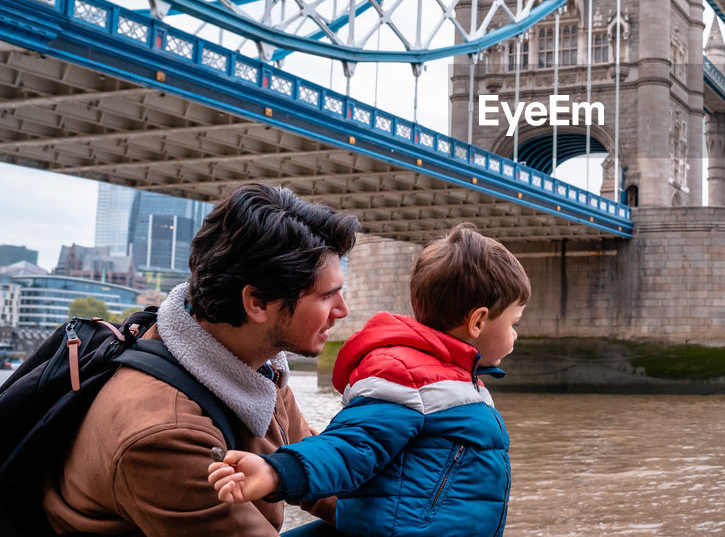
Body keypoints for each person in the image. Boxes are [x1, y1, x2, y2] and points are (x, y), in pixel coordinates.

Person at [43, 183, 360, 536]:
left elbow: (312, 470)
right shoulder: (166, 433)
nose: (343, 311)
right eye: (326, 296)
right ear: (256, 303)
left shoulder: (259, 363)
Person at [208, 223, 530, 537]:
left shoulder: (456, 378)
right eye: (514, 322)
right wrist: (276, 471)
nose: (515, 333)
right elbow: (349, 446)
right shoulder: (410, 378)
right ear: (478, 321)